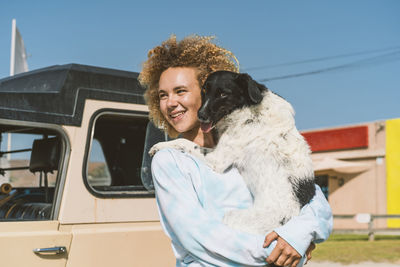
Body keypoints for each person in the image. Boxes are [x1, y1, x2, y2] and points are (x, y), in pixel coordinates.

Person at [139, 35, 333, 267]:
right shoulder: (169, 159)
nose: (170, 103)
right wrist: (279, 251)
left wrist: (297, 236)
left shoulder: (248, 140)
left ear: (207, 91)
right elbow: (197, 236)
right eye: (163, 95)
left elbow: (313, 201)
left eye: (180, 91)